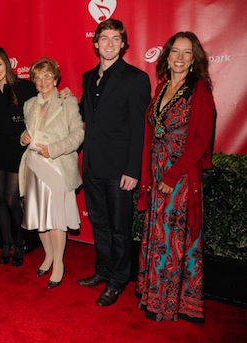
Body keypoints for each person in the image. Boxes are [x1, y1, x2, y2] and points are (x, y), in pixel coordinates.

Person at [136, 32, 215, 323]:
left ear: (194, 59)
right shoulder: (162, 87)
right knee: (157, 239)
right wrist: (152, 174)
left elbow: (202, 138)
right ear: (167, 56)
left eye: (186, 53)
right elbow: (153, 133)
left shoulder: (200, 89)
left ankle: (169, 304)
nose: (179, 58)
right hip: (157, 176)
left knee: (172, 240)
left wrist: (173, 173)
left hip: (180, 177)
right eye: (175, 52)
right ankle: (152, 294)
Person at [77, 18, 151, 306]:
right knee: (99, 224)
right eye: (104, 38)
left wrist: (133, 170)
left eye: (115, 39)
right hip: (93, 166)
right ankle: (103, 271)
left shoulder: (135, 78)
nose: (109, 44)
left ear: (123, 44)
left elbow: (139, 130)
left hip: (120, 170)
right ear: (95, 43)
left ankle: (119, 280)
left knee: (120, 229)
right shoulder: (87, 77)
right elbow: (87, 115)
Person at [19, 57, 84, 287]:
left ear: (55, 78)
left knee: (56, 219)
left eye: (48, 76)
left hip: (57, 167)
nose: (43, 81)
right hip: (35, 165)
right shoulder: (29, 105)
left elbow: (78, 135)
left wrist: (53, 150)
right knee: (39, 218)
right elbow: (28, 135)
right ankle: (47, 256)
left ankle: (59, 263)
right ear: (34, 81)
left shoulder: (67, 101)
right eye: (38, 77)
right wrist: (24, 138)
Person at [0, 47, 37, 266]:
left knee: (12, 198)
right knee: (1, 198)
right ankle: (6, 243)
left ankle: (20, 242)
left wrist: (64, 95)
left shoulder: (24, 87)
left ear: (7, 64)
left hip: (17, 149)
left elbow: (46, 100)